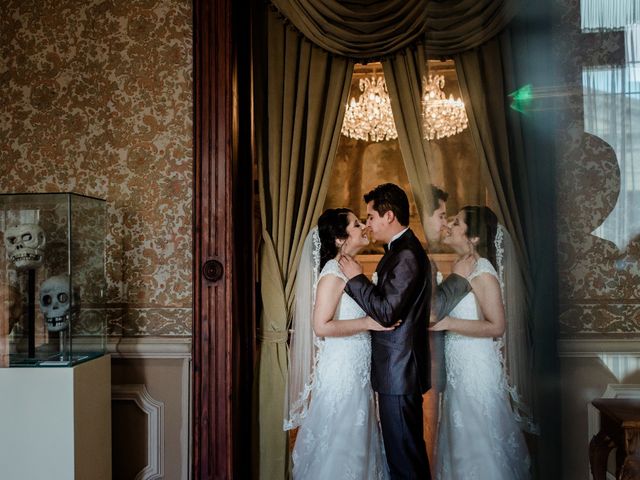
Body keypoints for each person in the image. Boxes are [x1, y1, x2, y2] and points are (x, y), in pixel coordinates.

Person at [339, 183, 470, 479]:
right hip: (398, 370)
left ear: (388, 216)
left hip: (399, 371)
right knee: (404, 454)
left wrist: (356, 279)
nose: (369, 224)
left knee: (405, 460)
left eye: (371, 217)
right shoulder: (399, 250)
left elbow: (386, 312)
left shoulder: (407, 254)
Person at [284, 208, 394, 479]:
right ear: (339, 238)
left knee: (357, 439)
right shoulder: (333, 272)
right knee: (341, 441)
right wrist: (367, 323)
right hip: (342, 371)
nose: (364, 227)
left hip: (356, 369)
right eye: (357, 225)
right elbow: (321, 325)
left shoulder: (349, 270)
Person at [430, 206, 531, 479]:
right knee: (460, 440)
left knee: (479, 441)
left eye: (456, 222)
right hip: (458, 367)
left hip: (476, 369)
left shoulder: (482, 269)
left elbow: (497, 326)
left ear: (474, 237)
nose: (448, 225)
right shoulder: (461, 266)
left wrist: (449, 323)